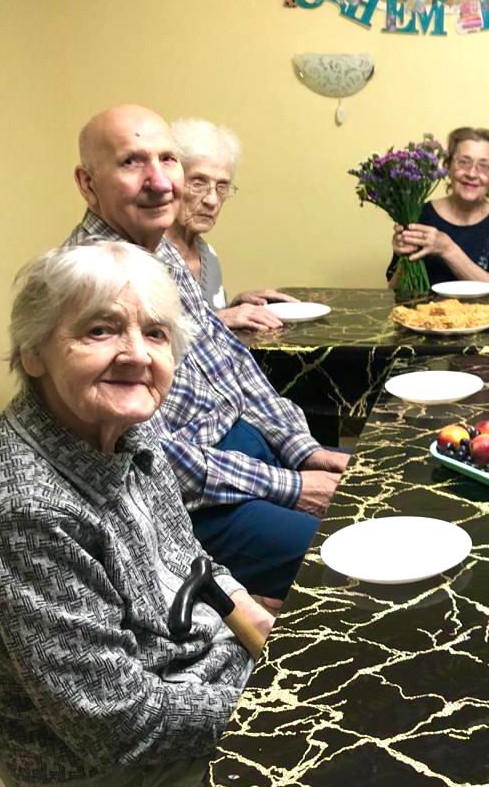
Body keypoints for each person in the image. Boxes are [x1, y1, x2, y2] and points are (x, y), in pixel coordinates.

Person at [0, 242, 273, 787]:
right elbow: (118, 726)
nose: (136, 355)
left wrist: (255, 623)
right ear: (32, 352)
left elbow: (191, 564)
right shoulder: (16, 511)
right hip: (125, 780)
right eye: (100, 330)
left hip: (193, 677)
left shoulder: (121, 432)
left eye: (155, 334)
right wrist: (272, 704)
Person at [68, 105, 347, 601]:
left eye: (167, 159)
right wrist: (293, 487)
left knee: (381, 487)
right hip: (190, 501)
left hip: (242, 452)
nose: (160, 181)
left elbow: (230, 359)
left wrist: (304, 450)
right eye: (132, 162)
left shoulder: (158, 248)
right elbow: (153, 458)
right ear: (88, 184)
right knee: (350, 554)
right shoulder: (94, 282)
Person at [166, 117, 298, 332]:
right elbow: (150, 340)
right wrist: (222, 317)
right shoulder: (147, 255)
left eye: (222, 186)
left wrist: (235, 307)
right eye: (198, 183)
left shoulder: (207, 253)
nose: (212, 200)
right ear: (170, 181)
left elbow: (202, 328)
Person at [387, 126, 489, 290]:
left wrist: (447, 249)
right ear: (448, 166)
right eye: (463, 162)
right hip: (423, 314)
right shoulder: (418, 214)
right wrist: (405, 255)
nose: (472, 173)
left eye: (484, 166)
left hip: (483, 314)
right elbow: (393, 290)